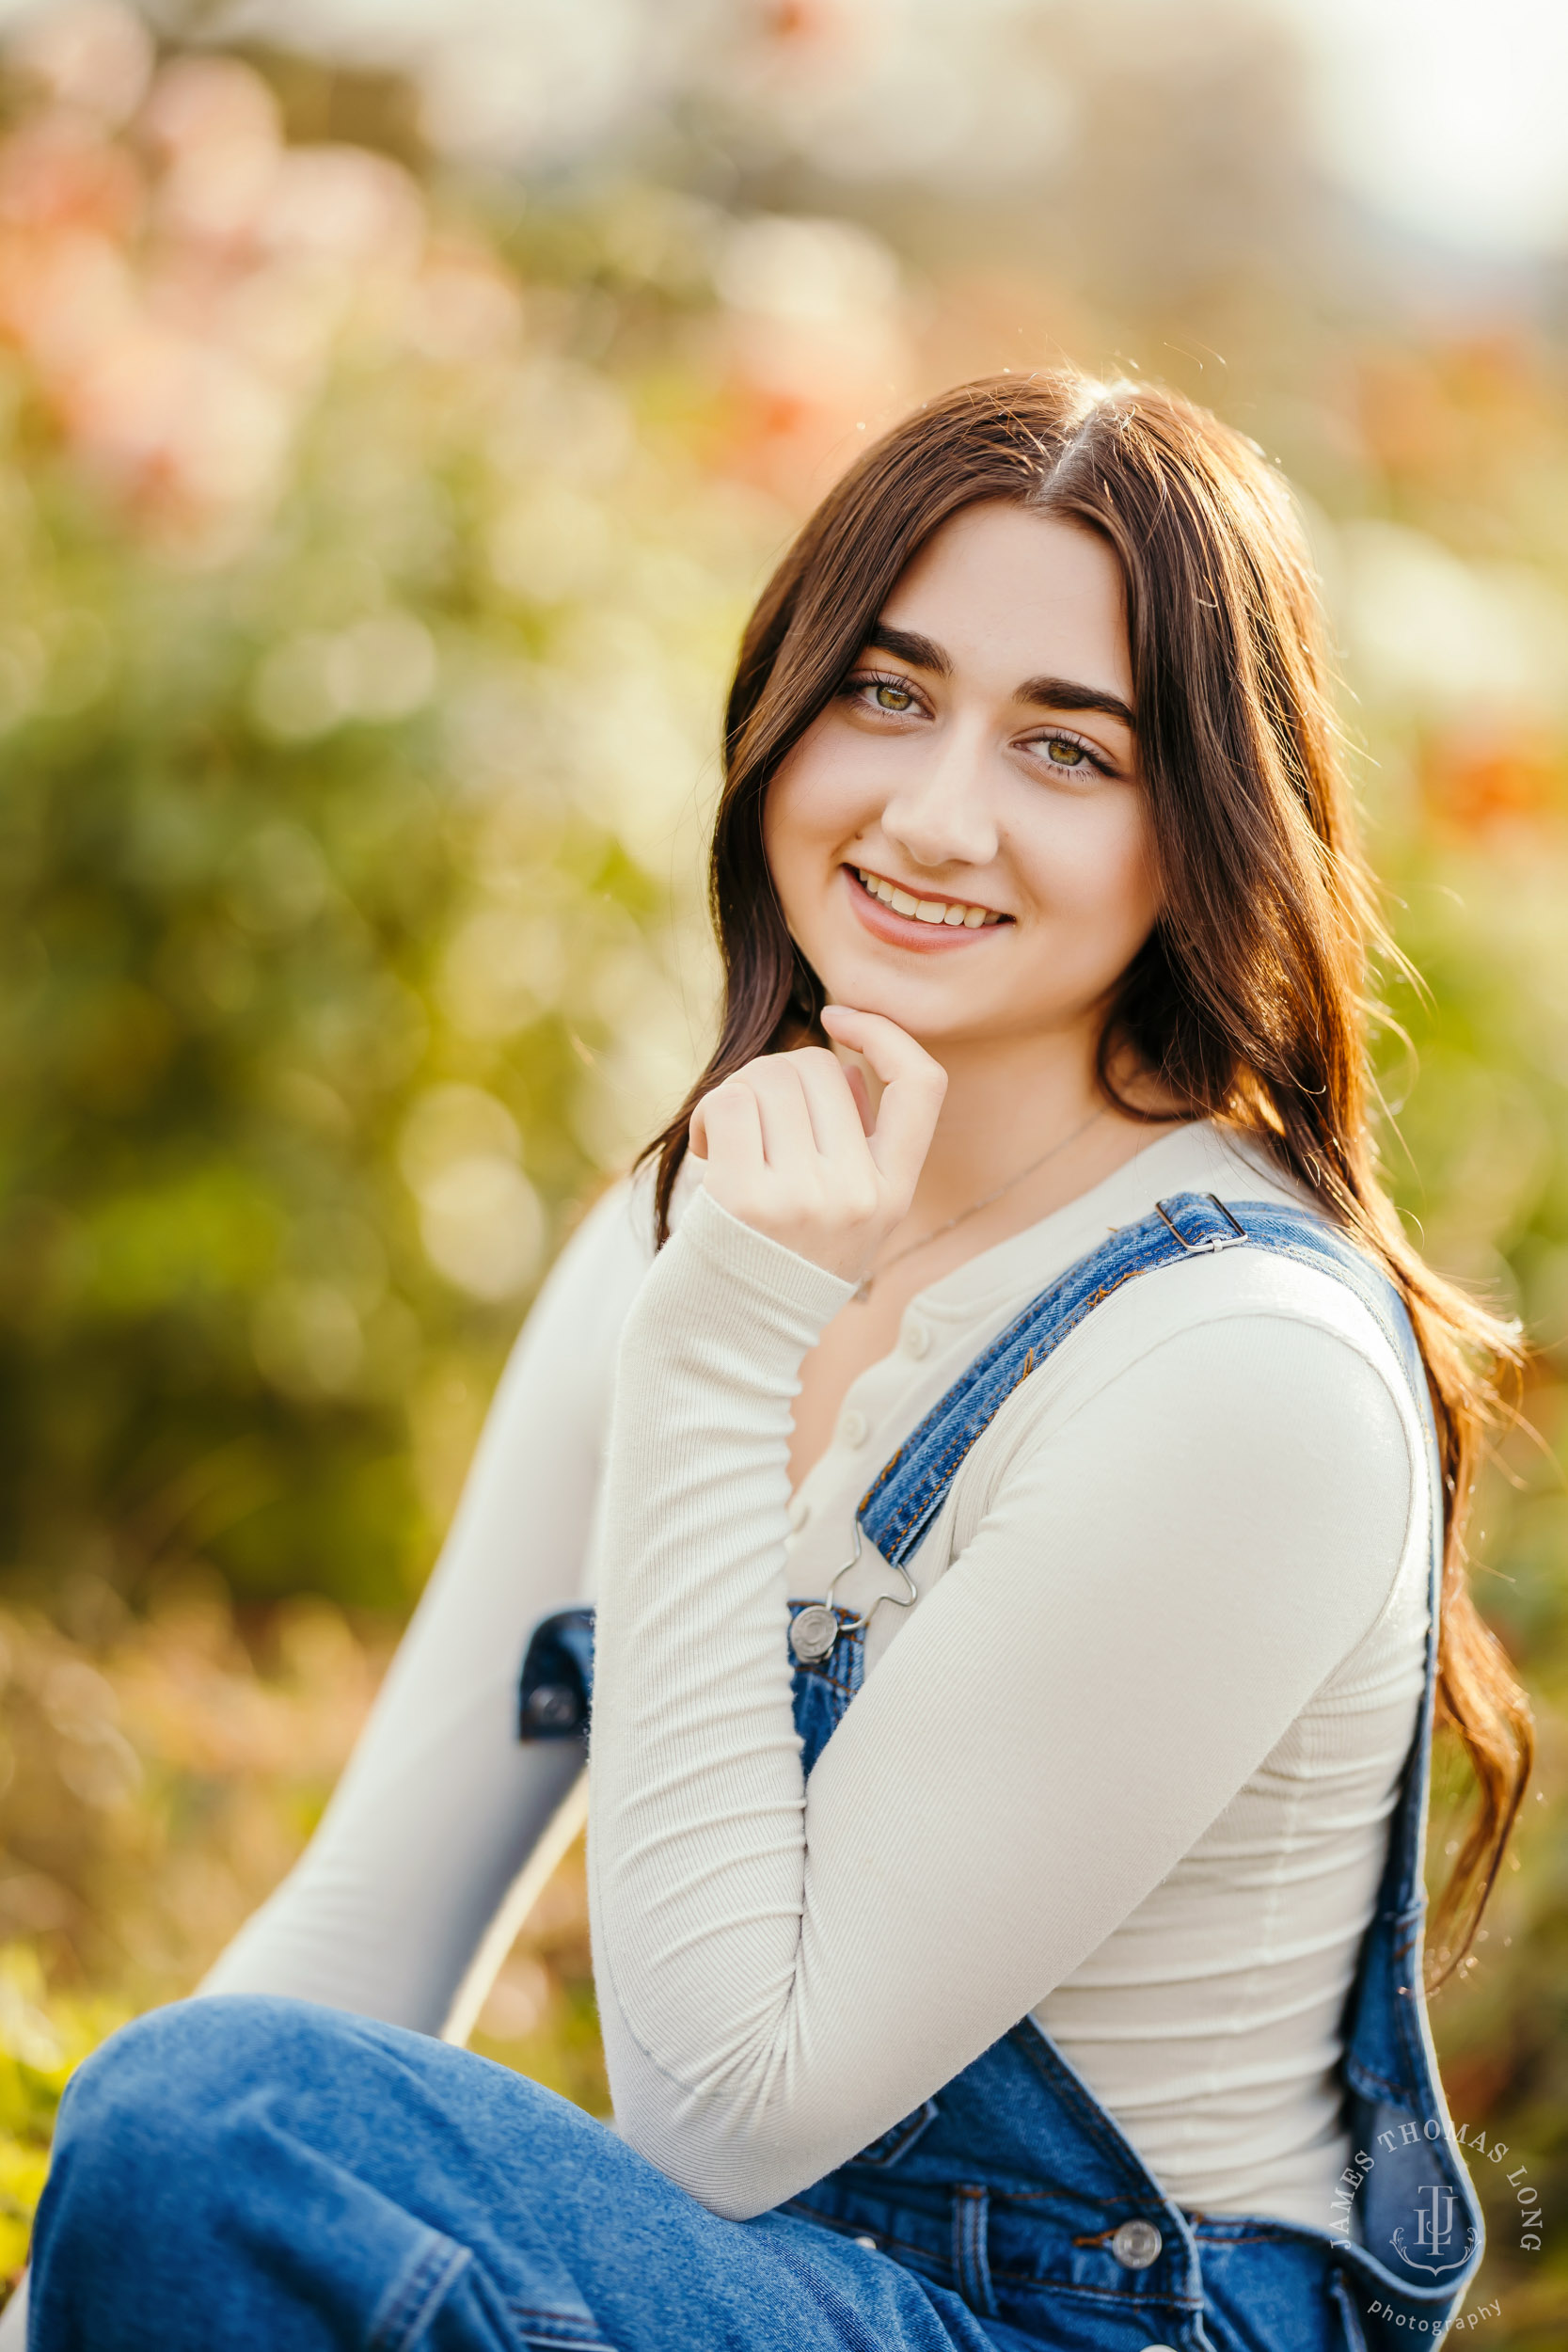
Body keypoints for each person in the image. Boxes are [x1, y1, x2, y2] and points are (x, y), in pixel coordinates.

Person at [24, 374, 1533, 2351]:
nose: (932, 813)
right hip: (758, 2292)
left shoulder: (1239, 1369)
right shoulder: (698, 1225)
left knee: (217, 2125)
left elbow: (729, 2107)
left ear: (1207, 829)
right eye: (886, 695)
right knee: (213, 2117)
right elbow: (358, 1951)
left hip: (1077, 2327)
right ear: (784, 708)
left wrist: (733, 1347)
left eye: (1067, 749)